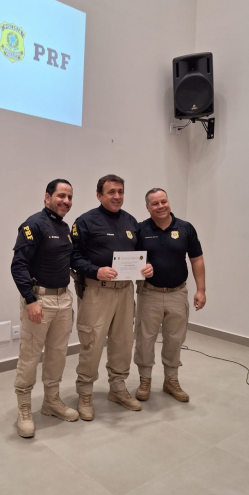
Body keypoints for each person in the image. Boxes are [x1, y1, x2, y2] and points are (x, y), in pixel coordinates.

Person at [71, 174, 154, 420]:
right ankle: (85, 392)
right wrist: (95, 270)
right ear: (99, 195)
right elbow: (73, 257)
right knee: (92, 342)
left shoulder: (130, 221)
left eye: (120, 192)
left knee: (123, 342)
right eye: (111, 192)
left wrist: (146, 267)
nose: (117, 196)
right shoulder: (85, 221)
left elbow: (140, 255)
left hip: (125, 291)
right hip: (97, 291)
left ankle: (117, 387)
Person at [11, 179, 79, 438]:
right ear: (47, 197)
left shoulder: (64, 227)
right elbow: (18, 265)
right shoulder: (34, 224)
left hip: (63, 300)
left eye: (69, 197)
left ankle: (51, 401)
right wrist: (30, 300)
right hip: (40, 300)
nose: (66, 201)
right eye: (61, 195)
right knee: (30, 355)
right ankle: (24, 408)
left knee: (57, 354)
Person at [134, 188, 206, 403]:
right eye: (155, 204)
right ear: (147, 207)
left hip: (177, 293)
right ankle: (145, 379)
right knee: (145, 339)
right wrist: (141, 268)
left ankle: (171, 380)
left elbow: (197, 259)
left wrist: (201, 290)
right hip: (149, 293)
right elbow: (131, 259)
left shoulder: (185, 228)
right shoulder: (140, 229)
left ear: (169, 202)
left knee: (175, 339)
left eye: (163, 201)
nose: (160, 206)